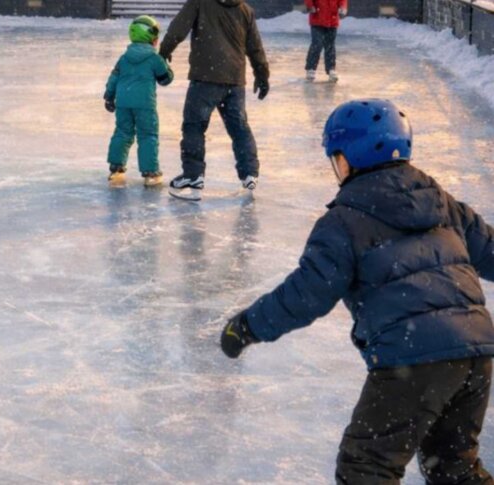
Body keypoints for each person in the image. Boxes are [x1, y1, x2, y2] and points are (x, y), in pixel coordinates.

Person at [220, 98, 494, 483]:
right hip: (477, 353)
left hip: (413, 357)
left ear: (346, 159)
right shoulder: (442, 202)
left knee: (365, 467)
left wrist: (248, 325)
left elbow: (306, 295)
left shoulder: (343, 221)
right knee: (454, 468)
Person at [158, 0, 270, 192]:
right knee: (239, 127)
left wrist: (164, 51)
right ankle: (250, 172)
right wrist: (262, 75)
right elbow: (255, 47)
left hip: (205, 78)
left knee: (194, 125)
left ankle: (193, 175)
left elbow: (178, 28)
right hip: (234, 79)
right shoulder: (244, 9)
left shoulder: (200, 2)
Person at [103, 15, 174, 188]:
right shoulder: (154, 59)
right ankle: (150, 172)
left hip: (123, 103)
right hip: (144, 104)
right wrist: (165, 63)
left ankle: (116, 168)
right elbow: (165, 79)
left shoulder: (124, 58)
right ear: (150, 37)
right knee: (147, 135)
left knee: (122, 132)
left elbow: (114, 77)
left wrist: (109, 96)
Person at [304, 0, 348, 82]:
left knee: (330, 45)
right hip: (317, 18)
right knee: (317, 44)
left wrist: (342, 7)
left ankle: (331, 69)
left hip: (332, 19)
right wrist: (310, 6)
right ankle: (310, 68)